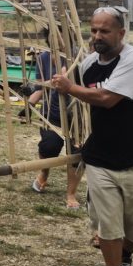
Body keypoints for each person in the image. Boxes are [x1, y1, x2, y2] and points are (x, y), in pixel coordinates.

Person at [51, 6, 133, 266]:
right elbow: (71, 90)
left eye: (105, 31)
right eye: (94, 30)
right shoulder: (88, 65)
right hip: (101, 157)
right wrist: (55, 86)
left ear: (121, 33)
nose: (97, 36)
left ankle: (125, 258)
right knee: (108, 226)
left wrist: (70, 87)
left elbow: (108, 99)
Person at [28, 32, 83, 209]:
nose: (57, 38)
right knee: (49, 146)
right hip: (52, 113)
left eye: (61, 32)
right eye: (53, 34)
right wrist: (29, 106)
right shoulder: (42, 58)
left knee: (76, 153)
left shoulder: (79, 58)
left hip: (77, 114)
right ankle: (44, 174)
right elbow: (40, 88)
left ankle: (71, 194)